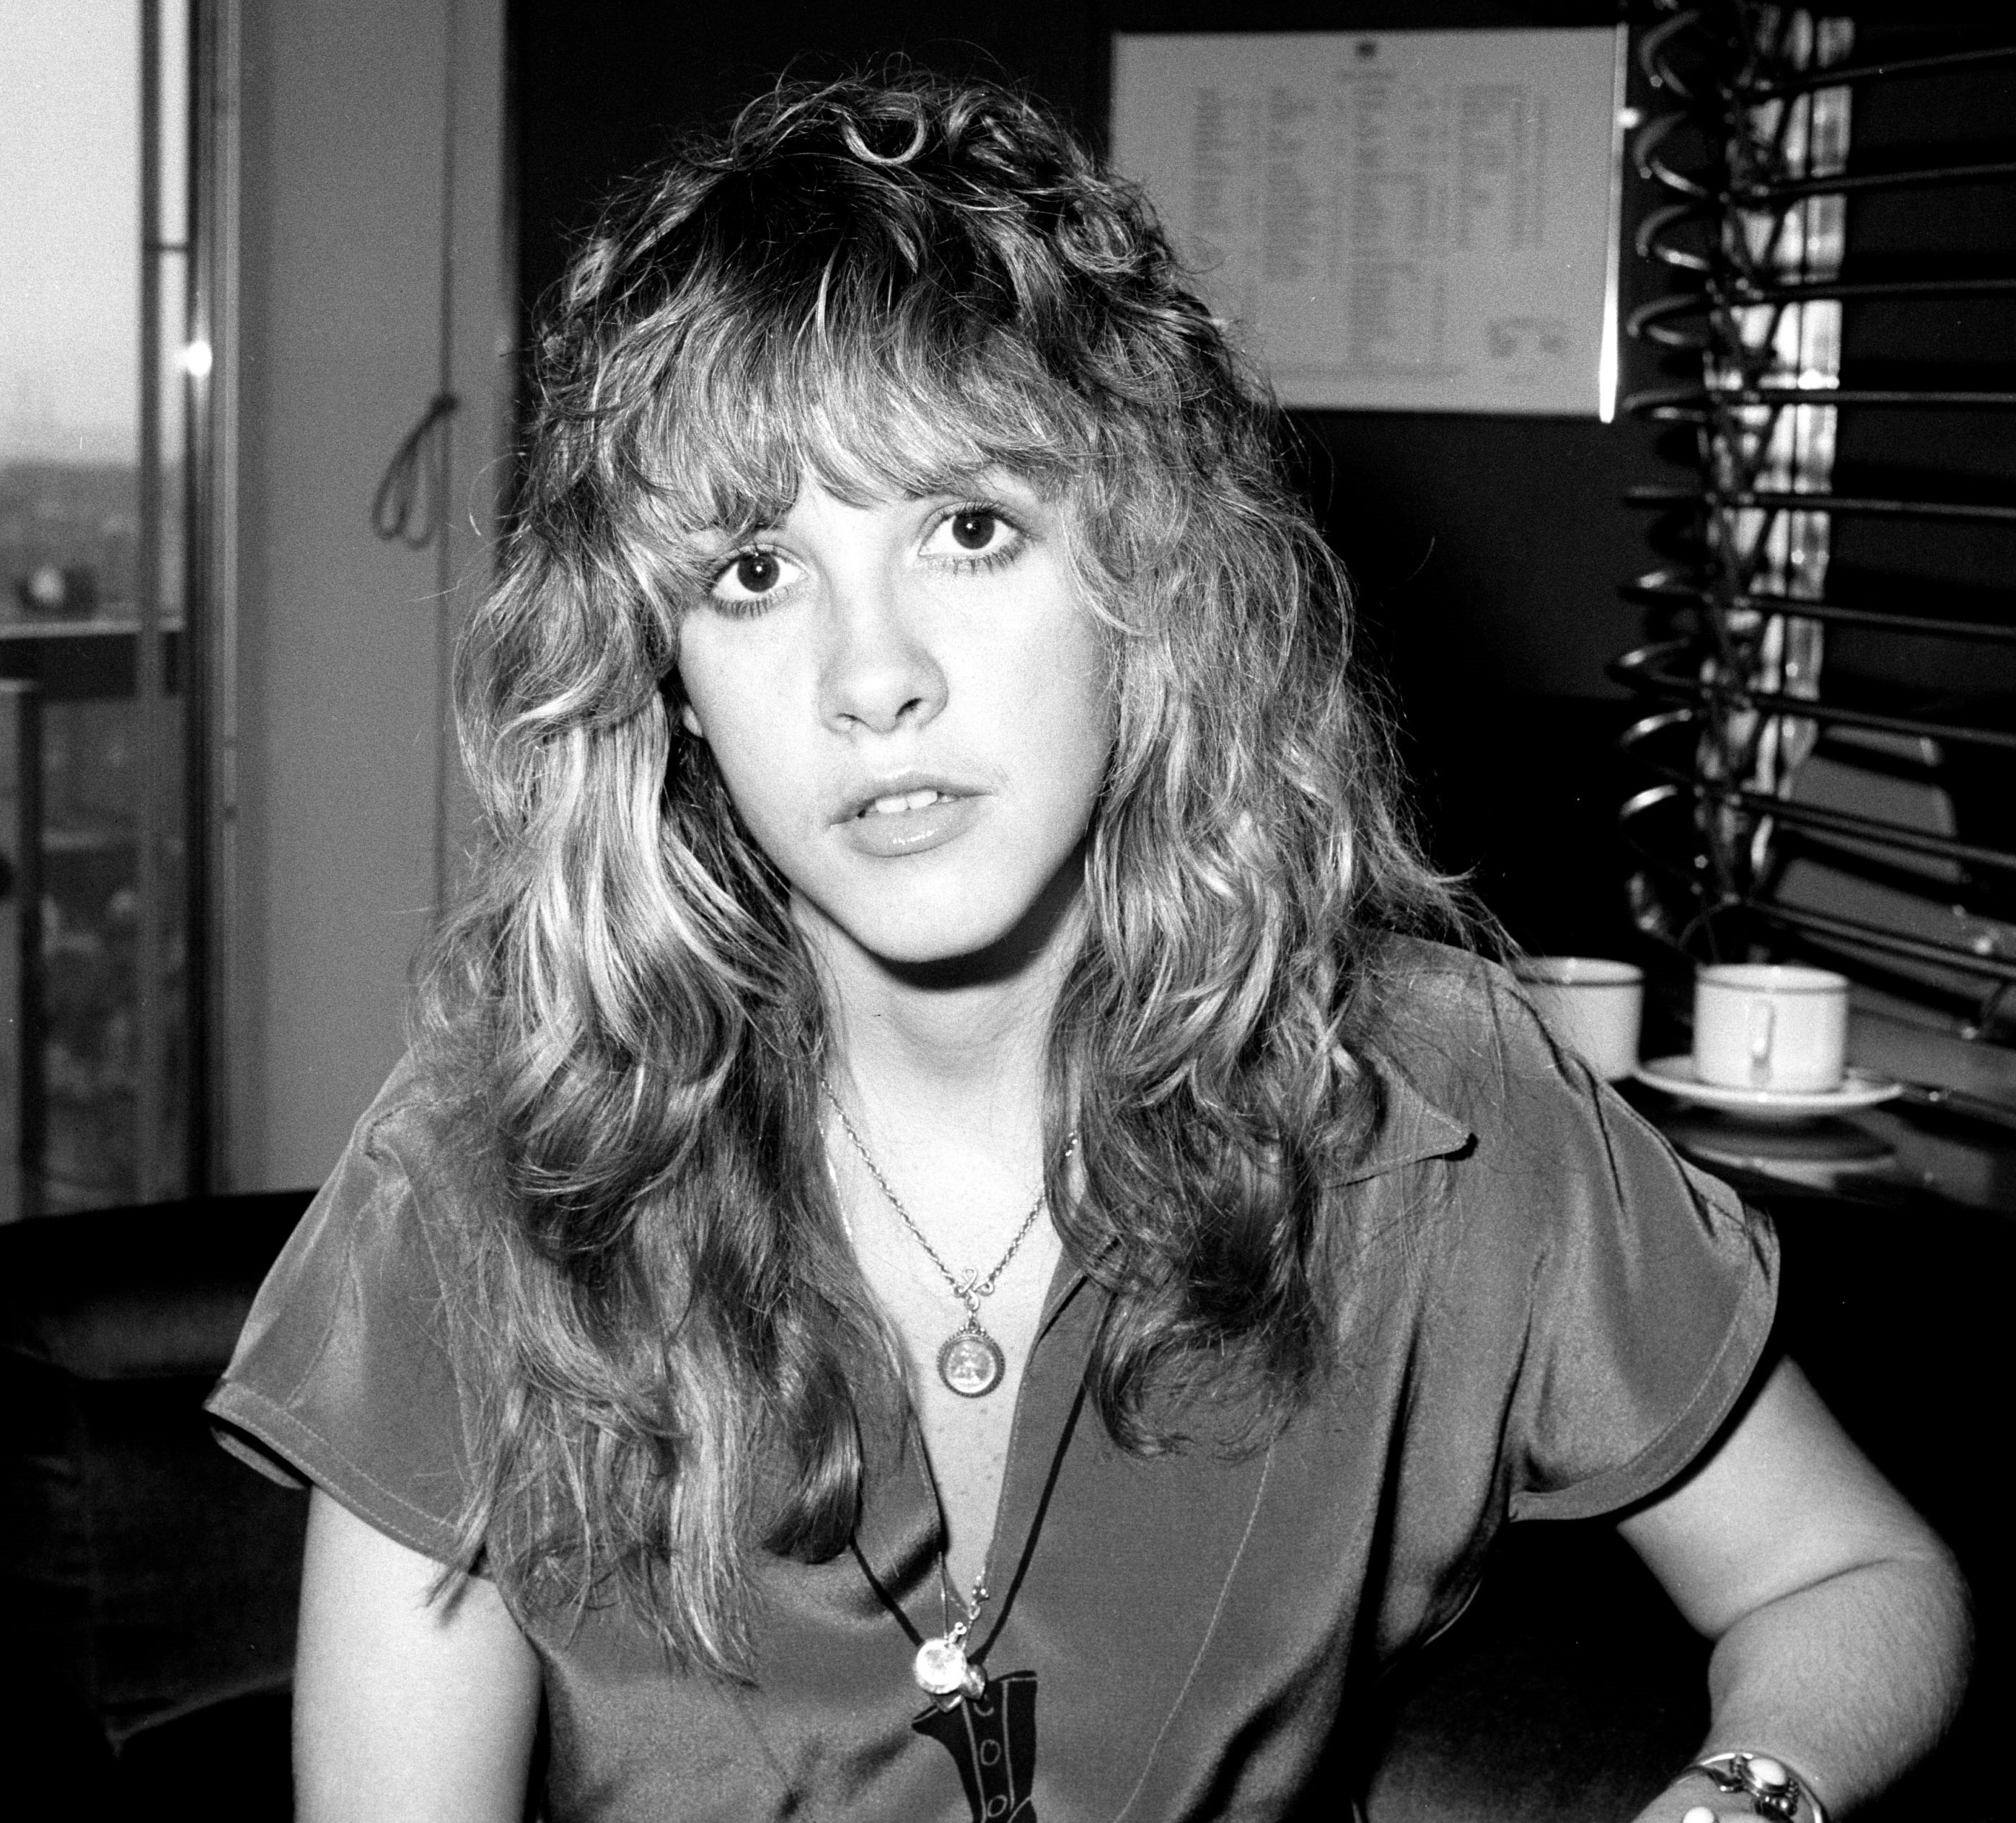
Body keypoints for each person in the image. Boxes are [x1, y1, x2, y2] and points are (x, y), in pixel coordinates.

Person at [207, 73, 1968, 1823]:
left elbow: (1855, 1581)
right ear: (663, 675)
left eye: (969, 530)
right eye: (752, 571)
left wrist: (1740, 1803)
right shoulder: (489, 1168)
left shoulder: (1432, 1100)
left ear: (1146, 579)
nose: (868, 676)